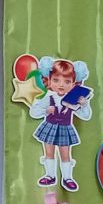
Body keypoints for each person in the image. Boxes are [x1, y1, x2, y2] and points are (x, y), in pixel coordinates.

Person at [29, 57, 92, 192]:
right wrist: (46, 110)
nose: (61, 85)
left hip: (65, 128)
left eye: (67, 81)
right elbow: (34, 112)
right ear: (49, 81)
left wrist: (84, 104)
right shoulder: (48, 97)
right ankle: (50, 175)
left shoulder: (73, 98)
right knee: (49, 152)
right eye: (56, 80)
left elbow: (85, 115)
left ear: (74, 83)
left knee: (65, 154)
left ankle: (67, 178)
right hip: (49, 126)